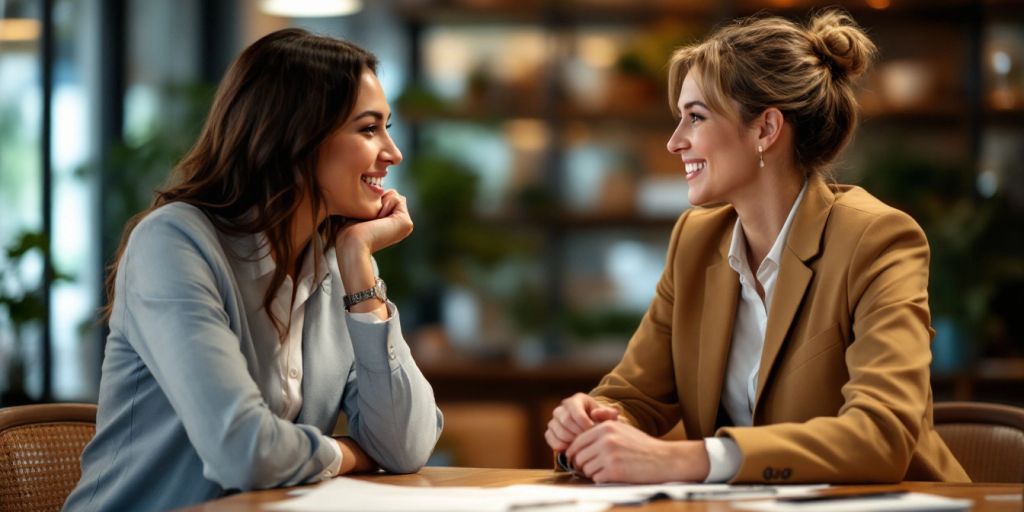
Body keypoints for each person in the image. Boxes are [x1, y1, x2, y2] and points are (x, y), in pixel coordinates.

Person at [545, 10, 969, 484]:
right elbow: (634, 396)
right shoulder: (695, 241)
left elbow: (880, 435)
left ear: (766, 129)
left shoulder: (878, 240)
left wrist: (691, 459)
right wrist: (590, 422)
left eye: (696, 118)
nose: (673, 142)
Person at [64, 29, 443, 511]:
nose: (393, 152)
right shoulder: (173, 244)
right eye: (368, 129)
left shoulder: (330, 266)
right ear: (298, 136)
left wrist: (358, 262)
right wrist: (350, 453)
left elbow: (406, 446)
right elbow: (242, 451)